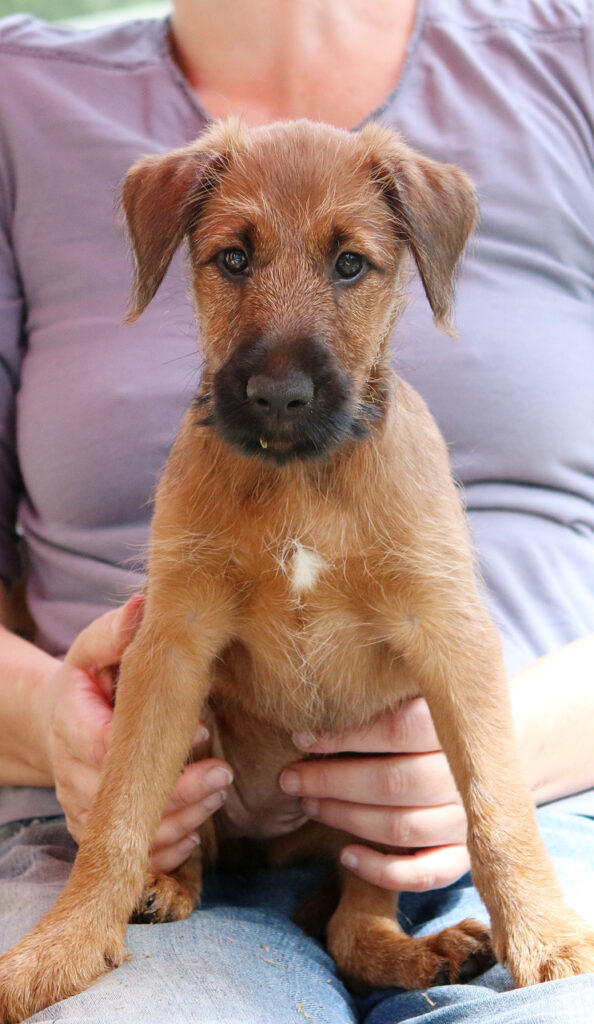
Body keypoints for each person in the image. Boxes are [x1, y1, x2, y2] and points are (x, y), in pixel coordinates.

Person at [0, 0, 593, 1020]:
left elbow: (455, 643)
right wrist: (61, 758)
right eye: (234, 261)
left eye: (349, 265)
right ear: (178, 249)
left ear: (413, 260)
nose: (282, 360)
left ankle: (369, 924)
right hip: (175, 832)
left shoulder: (568, 53)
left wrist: (518, 871)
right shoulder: (19, 90)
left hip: (545, 805)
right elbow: (173, 649)